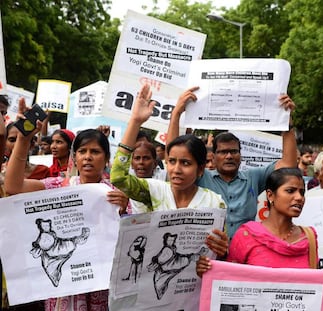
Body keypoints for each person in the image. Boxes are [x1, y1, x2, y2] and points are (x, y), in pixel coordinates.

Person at [4, 104, 130, 310]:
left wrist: (123, 210)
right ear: (75, 157)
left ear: (106, 158)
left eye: (95, 152)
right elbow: (12, 187)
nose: (88, 156)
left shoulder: (116, 195)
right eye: (82, 151)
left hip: (102, 287)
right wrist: (24, 140)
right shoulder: (58, 187)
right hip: (65, 289)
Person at [110, 84, 228, 257]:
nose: (176, 170)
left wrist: (223, 249)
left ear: (201, 169)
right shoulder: (155, 190)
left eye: (186, 163)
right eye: (172, 161)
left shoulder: (214, 202)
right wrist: (135, 122)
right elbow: (119, 178)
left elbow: (219, 253)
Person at [166, 86, 297, 239]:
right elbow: (173, 154)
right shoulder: (201, 177)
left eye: (234, 151)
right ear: (213, 157)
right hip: (208, 254)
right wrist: (176, 115)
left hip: (244, 253)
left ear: (241, 155)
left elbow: (288, 164)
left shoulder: (253, 177)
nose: (229, 156)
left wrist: (286, 124)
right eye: (223, 152)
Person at [196, 168, 323, 292]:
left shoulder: (309, 237)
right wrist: (208, 270)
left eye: (302, 192)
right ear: (270, 195)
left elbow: (314, 292)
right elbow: (228, 284)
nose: (299, 197)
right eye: (290, 191)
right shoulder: (247, 235)